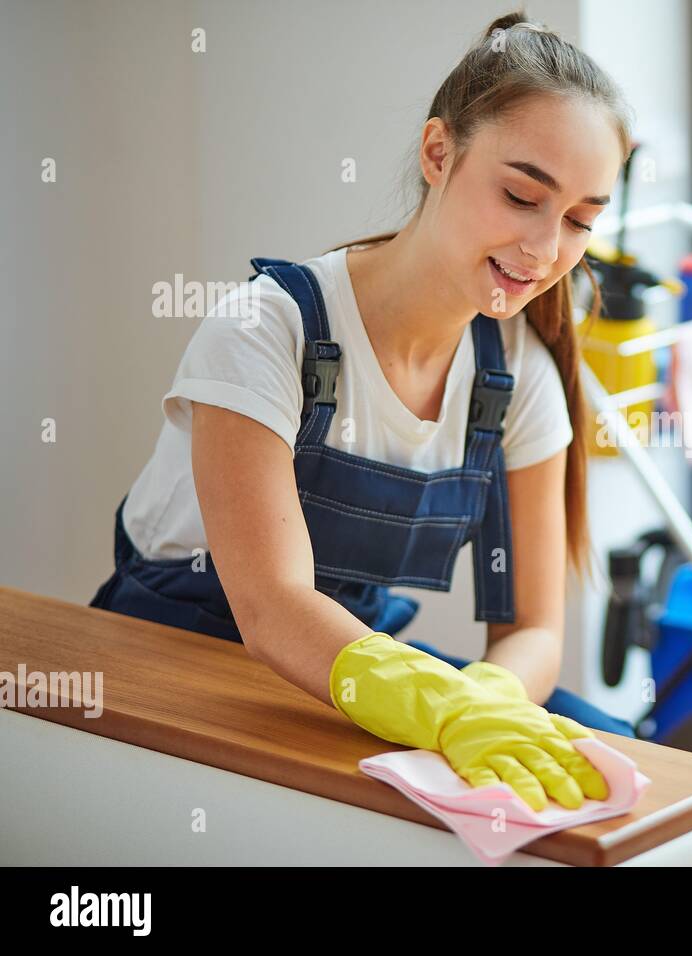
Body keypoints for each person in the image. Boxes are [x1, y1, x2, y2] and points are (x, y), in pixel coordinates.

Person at [89, 11, 636, 812]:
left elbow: (535, 633)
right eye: (523, 195)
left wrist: (483, 704)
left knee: (617, 759)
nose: (547, 248)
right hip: (186, 662)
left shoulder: (516, 379)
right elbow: (272, 609)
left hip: (365, 674)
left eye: (583, 219)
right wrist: (435, 706)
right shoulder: (270, 330)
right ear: (438, 153)